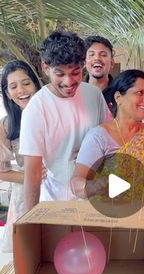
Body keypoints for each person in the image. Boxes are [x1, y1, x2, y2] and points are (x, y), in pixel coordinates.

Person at [19, 31, 111, 212]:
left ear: (83, 66)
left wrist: (92, 153)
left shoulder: (93, 95)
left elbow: (110, 137)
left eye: (75, 72)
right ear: (45, 67)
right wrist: (30, 222)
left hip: (95, 200)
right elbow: (33, 173)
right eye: (59, 74)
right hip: (57, 202)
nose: (68, 81)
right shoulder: (36, 109)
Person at [71, 69, 144, 200]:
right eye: (140, 93)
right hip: (115, 217)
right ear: (118, 98)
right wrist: (95, 186)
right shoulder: (99, 137)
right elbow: (76, 182)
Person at [0, 60, 41, 251]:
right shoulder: (6, 126)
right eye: (13, 86)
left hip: (58, 193)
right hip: (24, 197)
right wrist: (32, 177)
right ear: (8, 94)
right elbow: (2, 172)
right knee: (26, 252)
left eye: (26, 83)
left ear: (35, 84)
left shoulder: (55, 116)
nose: (21, 90)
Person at [84, 35, 115, 105]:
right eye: (91, 54)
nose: (97, 58)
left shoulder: (121, 92)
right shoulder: (75, 91)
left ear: (112, 63)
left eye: (103, 55)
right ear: (84, 62)